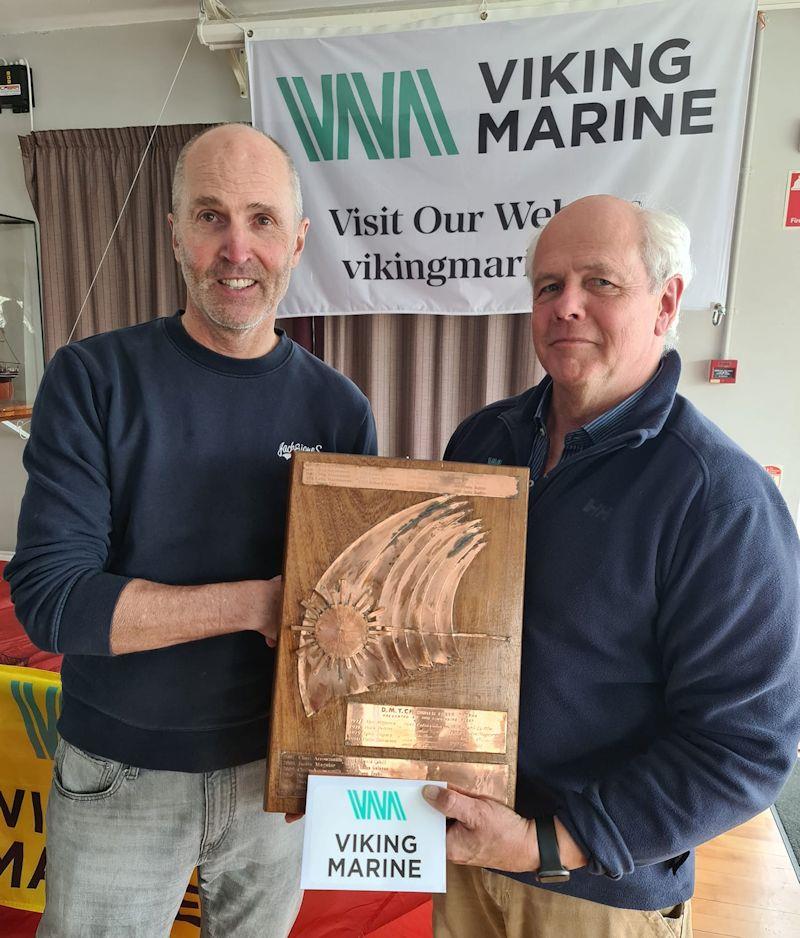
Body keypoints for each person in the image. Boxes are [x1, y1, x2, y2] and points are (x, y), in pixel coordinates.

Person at [5, 123, 377, 937]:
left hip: (277, 783)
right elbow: (52, 602)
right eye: (210, 217)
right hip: (119, 778)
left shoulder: (339, 411)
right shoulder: (94, 379)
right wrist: (259, 605)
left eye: (262, 220)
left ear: (298, 240)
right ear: (174, 231)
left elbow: (356, 620)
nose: (236, 248)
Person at [423, 195, 800, 938]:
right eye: (547, 286)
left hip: (596, 894)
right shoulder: (481, 441)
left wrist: (545, 845)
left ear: (666, 303)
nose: (567, 307)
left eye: (600, 283)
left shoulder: (720, 497)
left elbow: (745, 748)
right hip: (464, 856)